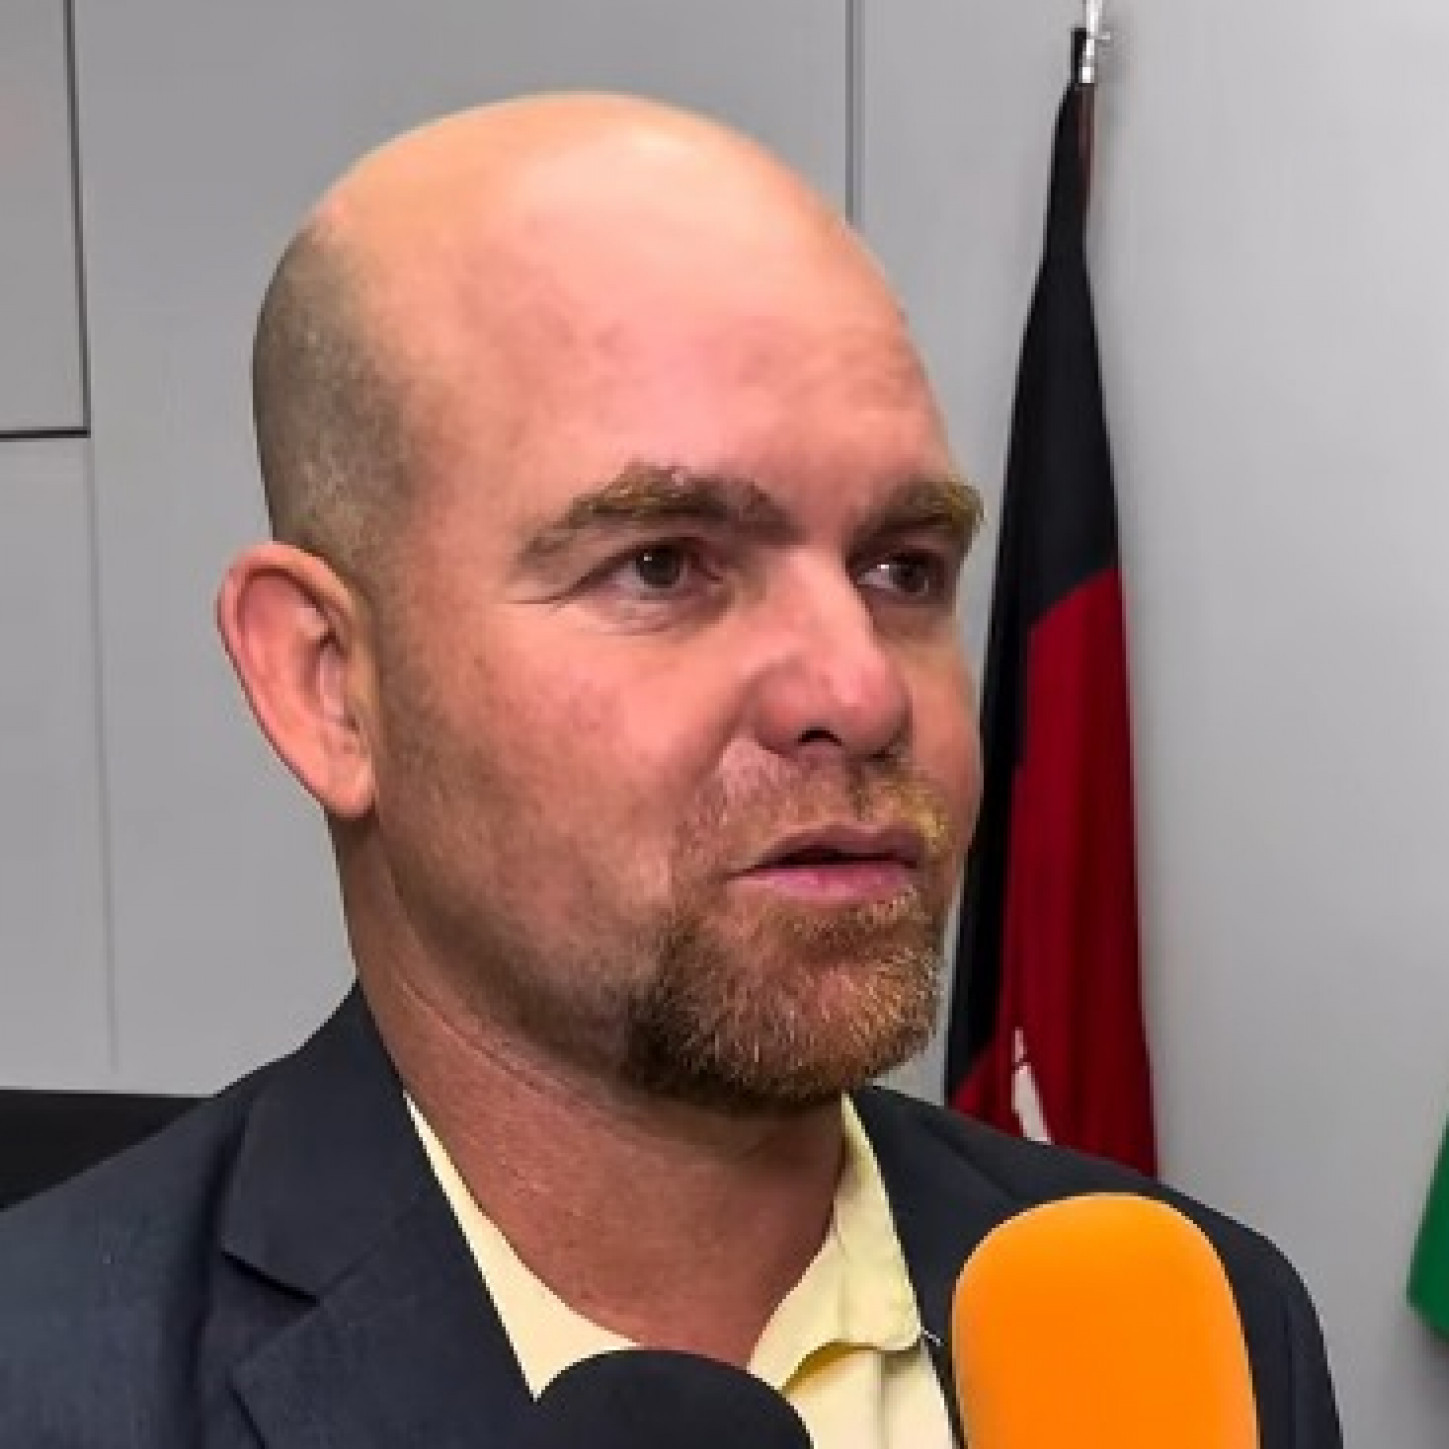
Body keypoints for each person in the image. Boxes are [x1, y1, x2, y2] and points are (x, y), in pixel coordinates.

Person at [0, 93, 1342, 1446]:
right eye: (661, 565)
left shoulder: (1209, 1338)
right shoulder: (45, 1383)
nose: (861, 690)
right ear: (330, 683)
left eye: (903, 568)